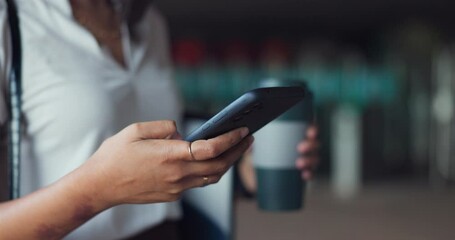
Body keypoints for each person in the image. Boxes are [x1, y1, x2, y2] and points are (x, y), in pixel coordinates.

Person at [0, 0, 319, 239]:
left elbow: (162, 160)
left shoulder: (149, 22)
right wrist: (98, 189)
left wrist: (243, 172)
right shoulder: (12, 21)